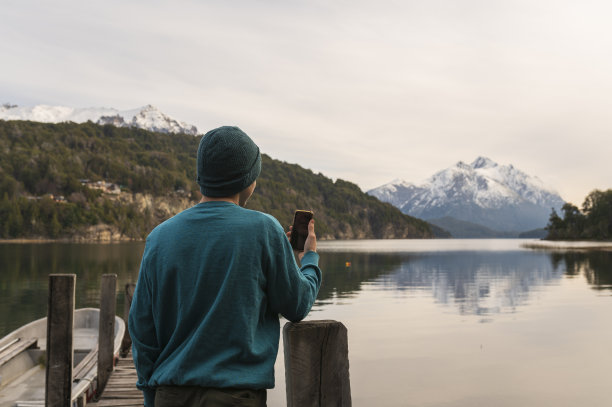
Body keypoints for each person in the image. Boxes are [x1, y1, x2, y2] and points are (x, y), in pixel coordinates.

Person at [128, 126, 322, 407]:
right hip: (235, 397)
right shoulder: (264, 230)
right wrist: (310, 259)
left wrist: (151, 396)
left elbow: (142, 330)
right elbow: (298, 304)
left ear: (200, 177)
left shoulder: (159, 237)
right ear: (248, 180)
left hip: (169, 395)